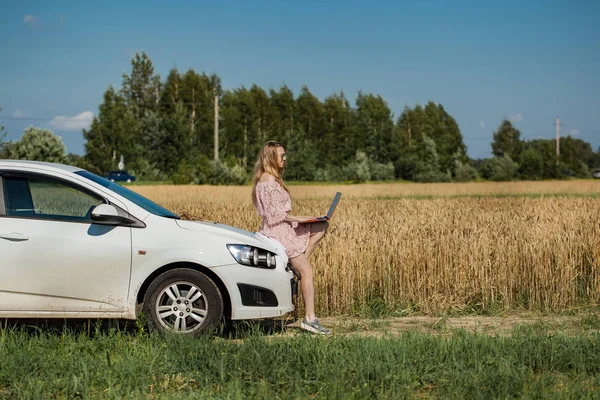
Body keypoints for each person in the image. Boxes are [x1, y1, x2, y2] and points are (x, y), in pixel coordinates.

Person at [252, 141, 331, 335]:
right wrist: (302, 218)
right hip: (279, 230)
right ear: (271, 157)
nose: (285, 158)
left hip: (284, 226)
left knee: (322, 225)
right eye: (281, 155)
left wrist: (307, 219)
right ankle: (310, 319)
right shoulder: (267, 180)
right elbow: (274, 216)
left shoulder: (270, 178)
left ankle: (295, 264)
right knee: (307, 272)